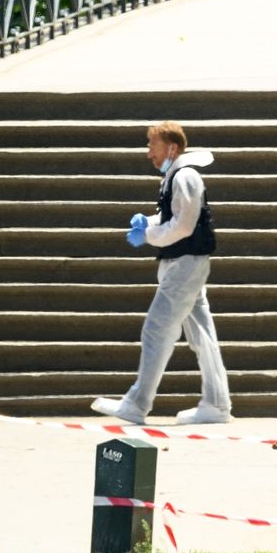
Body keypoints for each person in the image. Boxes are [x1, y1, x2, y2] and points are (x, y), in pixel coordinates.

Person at [92, 121, 233, 425]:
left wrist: (149, 235)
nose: (149, 153)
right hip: (186, 262)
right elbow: (174, 217)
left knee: (156, 329)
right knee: (202, 335)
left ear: (172, 147)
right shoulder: (177, 176)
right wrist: (150, 222)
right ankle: (217, 403)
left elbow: (184, 225)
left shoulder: (185, 176)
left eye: (152, 146)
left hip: (185, 263)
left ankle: (137, 403)